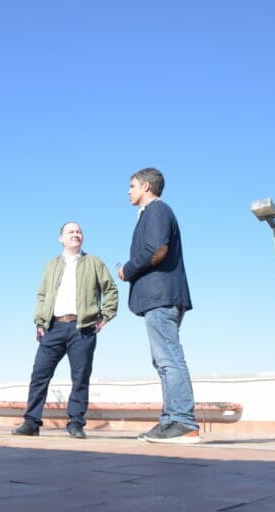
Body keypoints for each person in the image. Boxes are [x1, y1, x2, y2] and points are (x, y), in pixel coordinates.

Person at [12, 222, 118, 439]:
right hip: (53, 327)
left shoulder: (94, 262)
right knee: (39, 374)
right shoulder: (51, 265)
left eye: (79, 231)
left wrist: (105, 315)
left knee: (80, 377)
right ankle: (31, 422)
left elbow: (110, 289)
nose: (76, 234)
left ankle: (76, 423)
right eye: (71, 231)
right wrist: (40, 322)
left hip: (83, 329)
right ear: (61, 238)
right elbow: (42, 295)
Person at [117, 167, 200, 444]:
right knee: (163, 359)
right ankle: (169, 423)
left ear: (146, 187)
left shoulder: (156, 210)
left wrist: (127, 270)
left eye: (132, 185)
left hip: (162, 297)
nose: (128, 191)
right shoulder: (151, 213)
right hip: (159, 298)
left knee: (169, 358)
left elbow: (157, 249)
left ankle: (183, 422)